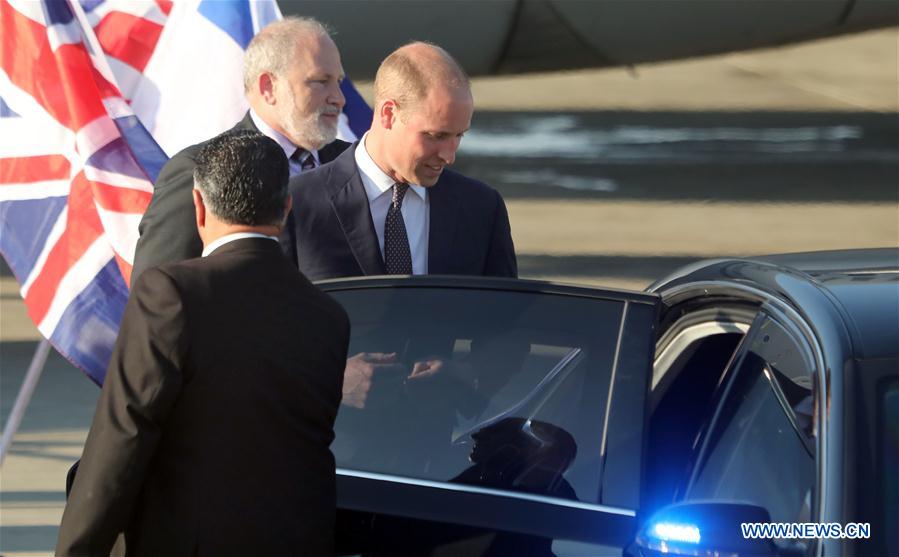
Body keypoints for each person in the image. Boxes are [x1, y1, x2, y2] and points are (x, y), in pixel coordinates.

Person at [56, 130, 350, 557]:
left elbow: (124, 436)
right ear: (286, 209)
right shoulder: (329, 317)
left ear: (198, 205)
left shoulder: (170, 293)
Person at [132, 16, 349, 281]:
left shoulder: (350, 162)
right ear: (268, 87)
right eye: (320, 81)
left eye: (338, 81)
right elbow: (156, 292)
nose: (338, 98)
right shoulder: (201, 168)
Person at [281, 41, 517, 281]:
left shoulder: (481, 209)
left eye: (459, 135)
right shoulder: (298, 205)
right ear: (388, 114)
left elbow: (504, 313)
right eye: (436, 136)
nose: (449, 155)